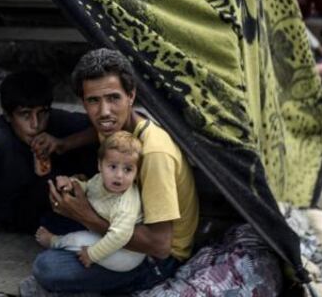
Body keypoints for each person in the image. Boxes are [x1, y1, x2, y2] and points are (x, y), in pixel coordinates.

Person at [30, 49, 199, 295]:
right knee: (48, 218)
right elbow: (96, 131)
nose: (104, 112)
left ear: (131, 96)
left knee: (47, 268)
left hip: (156, 258)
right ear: (83, 102)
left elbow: (160, 246)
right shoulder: (115, 127)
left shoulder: (154, 154)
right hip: (124, 217)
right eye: (93, 101)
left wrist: (86, 216)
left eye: (113, 98)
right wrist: (63, 144)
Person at [0, 70, 94, 234]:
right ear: (8, 116)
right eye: (25, 115)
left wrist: (63, 144)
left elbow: (106, 128)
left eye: (41, 113)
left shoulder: (54, 120)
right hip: (4, 218)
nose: (35, 124)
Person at [35, 130, 146, 273]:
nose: (119, 175)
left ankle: (55, 241)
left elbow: (118, 237)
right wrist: (72, 183)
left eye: (128, 169)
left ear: (136, 173)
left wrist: (92, 254)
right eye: (112, 167)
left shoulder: (126, 205)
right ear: (100, 165)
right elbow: (89, 187)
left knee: (77, 240)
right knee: (49, 220)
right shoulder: (100, 179)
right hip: (105, 231)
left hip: (125, 253)